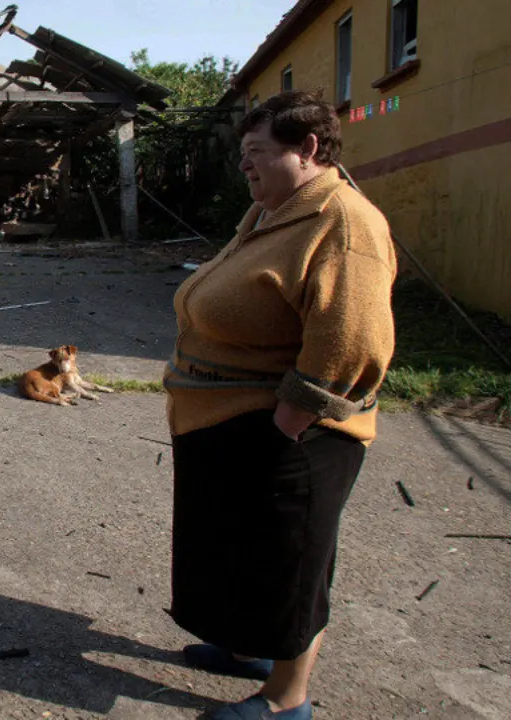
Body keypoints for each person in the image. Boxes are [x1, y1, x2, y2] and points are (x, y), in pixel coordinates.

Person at [162, 90, 397, 719]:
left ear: (309, 149)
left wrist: (293, 417)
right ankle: (247, 649)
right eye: (243, 154)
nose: (244, 165)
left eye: (257, 153)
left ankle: (285, 701)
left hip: (293, 432)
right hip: (229, 419)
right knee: (237, 547)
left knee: (294, 564)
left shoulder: (343, 223)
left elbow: (354, 339)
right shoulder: (273, 213)